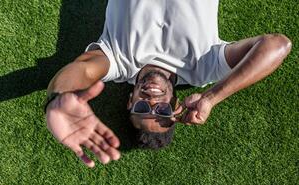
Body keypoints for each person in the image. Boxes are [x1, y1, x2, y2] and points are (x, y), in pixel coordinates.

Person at [45, 0, 292, 168]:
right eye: (162, 111)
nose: (151, 101)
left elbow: (82, 69)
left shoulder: (118, 61)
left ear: (130, 100)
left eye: (141, 109)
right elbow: (278, 46)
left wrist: (57, 99)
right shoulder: (204, 68)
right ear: (175, 107)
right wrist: (210, 98)